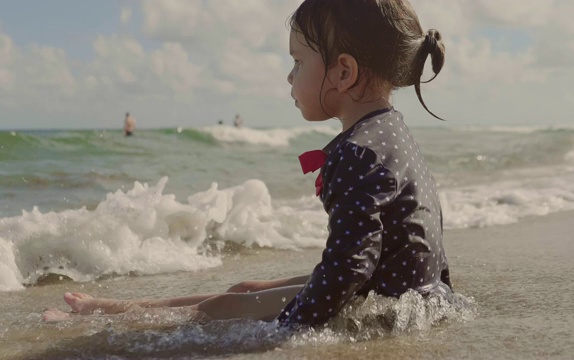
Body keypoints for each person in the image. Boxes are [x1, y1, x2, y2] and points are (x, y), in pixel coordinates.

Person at [43, 0, 452, 328]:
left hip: (385, 306)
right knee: (246, 288)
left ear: (343, 72)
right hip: (413, 293)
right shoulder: (393, 134)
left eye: (298, 62)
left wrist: (288, 328)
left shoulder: (359, 151)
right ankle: (114, 309)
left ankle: (108, 318)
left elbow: (350, 267)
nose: (289, 78)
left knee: (228, 305)